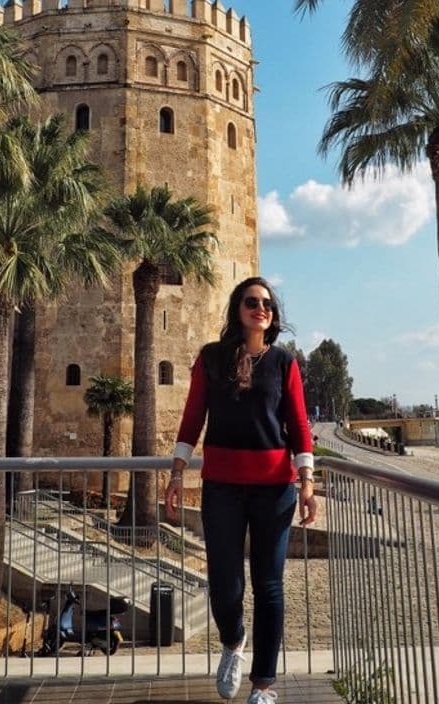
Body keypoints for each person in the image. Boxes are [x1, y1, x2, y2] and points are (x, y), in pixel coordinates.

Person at [165, 277, 317, 704]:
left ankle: (264, 685)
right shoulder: (212, 359)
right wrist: (177, 472)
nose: (260, 308)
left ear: (273, 315)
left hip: (274, 489)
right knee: (225, 584)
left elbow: (299, 425)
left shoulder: (284, 362)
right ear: (238, 309)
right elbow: (193, 416)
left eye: (267, 303)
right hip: (223, 487)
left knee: (268, 585)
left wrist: (307, 483)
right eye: (251, 301)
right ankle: (233, 642)